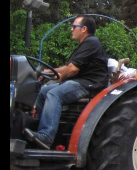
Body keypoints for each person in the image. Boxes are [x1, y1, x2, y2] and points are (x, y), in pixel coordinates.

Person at [24, 15, 108, 150]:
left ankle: (46, 136)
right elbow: (69, 66)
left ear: (84, 29)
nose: (71, 29)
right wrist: (48, 71)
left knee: (54, 94)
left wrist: (61, 78)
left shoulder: (91, 42)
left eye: (74, 26)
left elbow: (73, 69)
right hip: (79, 82)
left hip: (89, 84)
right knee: (43, 91)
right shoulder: (84, 45)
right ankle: (36, 128)